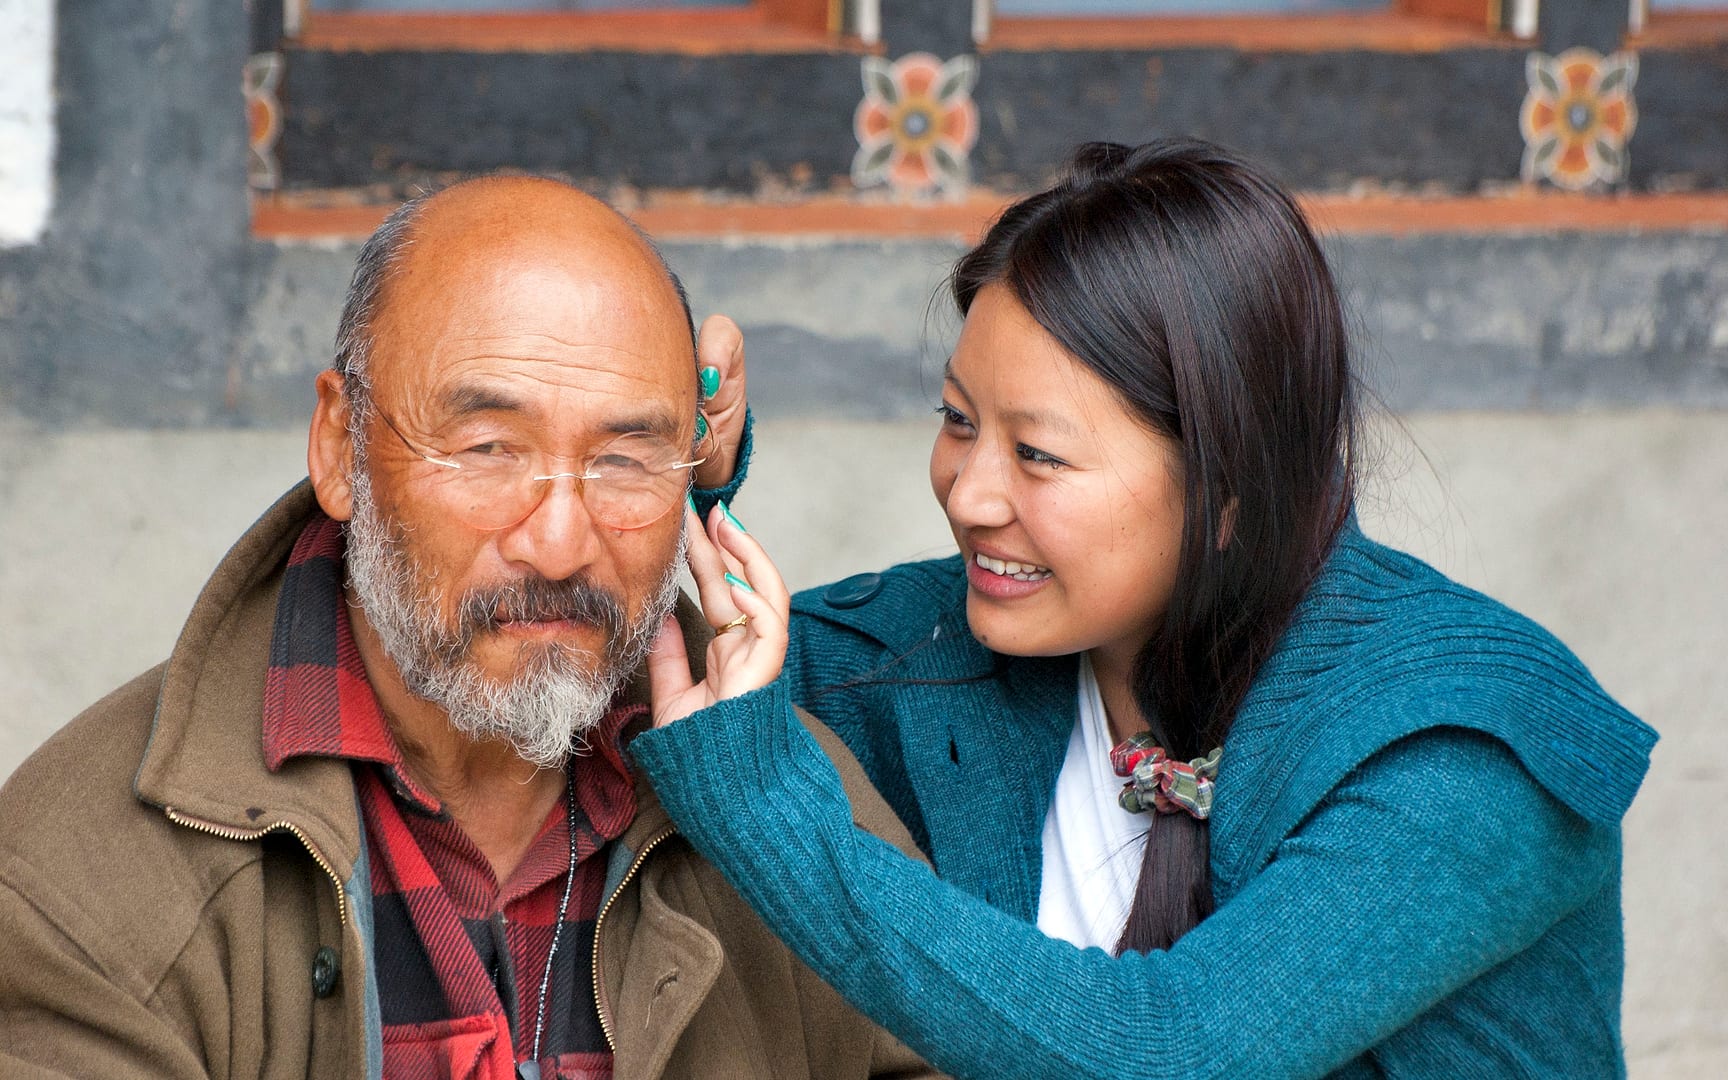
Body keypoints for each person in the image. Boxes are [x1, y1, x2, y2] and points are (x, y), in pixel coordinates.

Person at [636, 140, 1659, 1078]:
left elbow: (1170, 1050)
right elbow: (658, 684)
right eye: (958, 420)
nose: (969, 494)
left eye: (1038, 454)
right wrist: (671, 472)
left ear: (1228, 490)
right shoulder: (933, 650)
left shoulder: (1461, 746)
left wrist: (763, 806)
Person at [0, 177, 938, 1079]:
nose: (560, 547)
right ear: (340, 447)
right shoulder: (87, 880)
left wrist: (766, 817)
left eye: (624, 460)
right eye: (489, 450)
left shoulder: (795, 816)